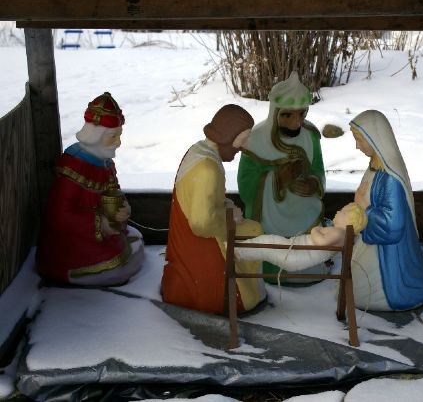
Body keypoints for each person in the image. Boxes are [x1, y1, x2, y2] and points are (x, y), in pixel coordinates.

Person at [162, 104, 266, 315]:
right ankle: (244, 292)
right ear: (229, 135)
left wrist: (225, 204)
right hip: (200, 242)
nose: (243, 146)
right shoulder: (207, 169)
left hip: (193, 233)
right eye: (243, 138)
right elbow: (201, 223)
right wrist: (230, 217)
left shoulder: (198, 151)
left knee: (253, 228)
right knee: (254, 231)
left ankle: (251, 283)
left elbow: (203, 199)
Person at [37, 92, 144, 286]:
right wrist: (101, 223)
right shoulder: (73, 167)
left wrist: (122, 208)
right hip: (74, 243)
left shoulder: (105, 162)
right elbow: (61, 216)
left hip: (102, 235)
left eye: (119, 136)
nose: (118, 143)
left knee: (135, 237)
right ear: (95, 136)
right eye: (113, 137)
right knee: (118, 263)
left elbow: (114, 191)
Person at [237, 71, 328, 282]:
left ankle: (307, 269)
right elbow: (246, 184)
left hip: (304, 208)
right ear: (275, 112)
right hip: (269, 212)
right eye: (287, 115)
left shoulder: (311, 136)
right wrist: (277, 179)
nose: (296, 123)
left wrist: (313, 184)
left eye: (302, 114)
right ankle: (273, 271)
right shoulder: (254, 140)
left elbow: (318, 169)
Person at [349, 110, 423, 311]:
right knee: (354, 288)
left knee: (360, 293)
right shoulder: (375, 167)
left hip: (388, 257)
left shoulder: (390, 179)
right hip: (369, 244)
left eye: (360, 140)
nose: (357, 146)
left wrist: (365, 208)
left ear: (374, 138)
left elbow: (393, 226)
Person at [236, 202, 367, 271]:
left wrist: (315, 230)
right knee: (267, 243)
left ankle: (237, 252)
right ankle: (239, 251)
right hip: (294, 252)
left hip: (294, 255)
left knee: (267, 242)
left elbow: (321, 242)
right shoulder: (341, 234)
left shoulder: (339, 232)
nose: (338, 211)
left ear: (349, 221)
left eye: (343, 212)